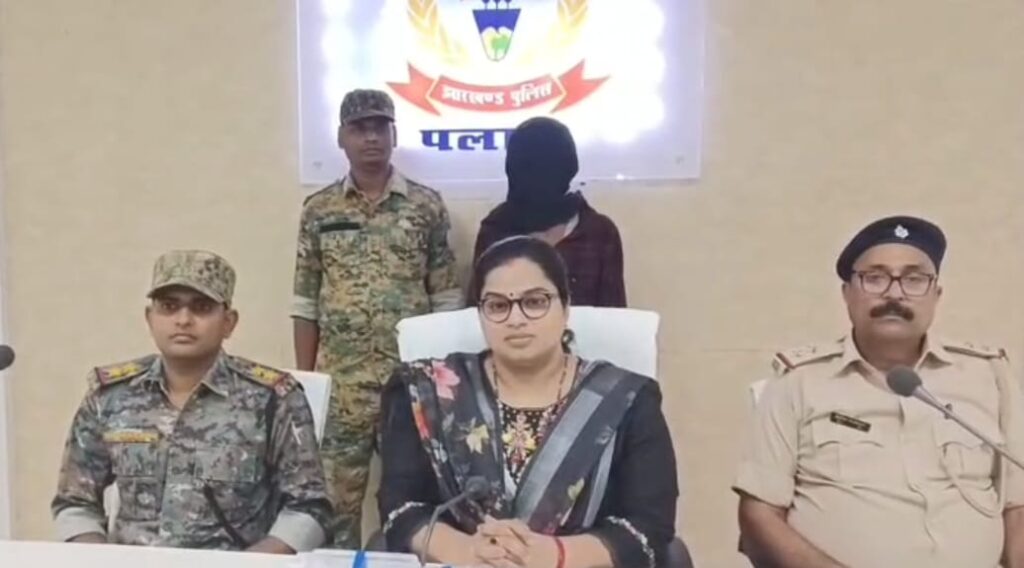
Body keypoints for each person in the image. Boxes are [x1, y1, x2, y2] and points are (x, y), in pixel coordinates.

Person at [734, 216, 1024, 567]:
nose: (895, 293)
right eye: (875, 278)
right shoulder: (798, 382)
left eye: (914, 279)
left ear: (936, 295)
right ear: (847, 294)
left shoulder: (989, 375)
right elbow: (759, 514)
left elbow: (1018, 505)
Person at [377, 236, 678, 567]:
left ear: (565, 308)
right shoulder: (426, 391)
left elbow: (648, 524)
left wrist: (554, 555)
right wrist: (467, 552)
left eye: (534, 302)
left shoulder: (627, 399)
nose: (516, 319)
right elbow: (402, 507)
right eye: (497, 306)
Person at [52, 250, 332, 552]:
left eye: (201, 307)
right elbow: (74, 503)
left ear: (228, 322)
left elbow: (309, 508)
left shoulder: (273, 399)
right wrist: (99, 560)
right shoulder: (110, 396)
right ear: (149, 318)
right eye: (169, 307)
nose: (183, 320)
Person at [292, 88, 463, 547]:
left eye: (379, 127)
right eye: (359, 128)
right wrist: (309, 384)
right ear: (341, 138)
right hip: (342, 387)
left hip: (408, 385)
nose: (370, 137)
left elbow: (446, 298)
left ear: (394, 135)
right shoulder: (319, 210)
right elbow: (305, 302)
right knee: (332, 507)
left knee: (414, 499)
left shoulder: (425, 206)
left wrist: (442, 379)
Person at [473, 117, 627, 308]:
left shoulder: (599, 232)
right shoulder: (495, 230)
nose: (537, 173)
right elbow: (481, 309)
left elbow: (613, 314)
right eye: (527, 164)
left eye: (548, 164)